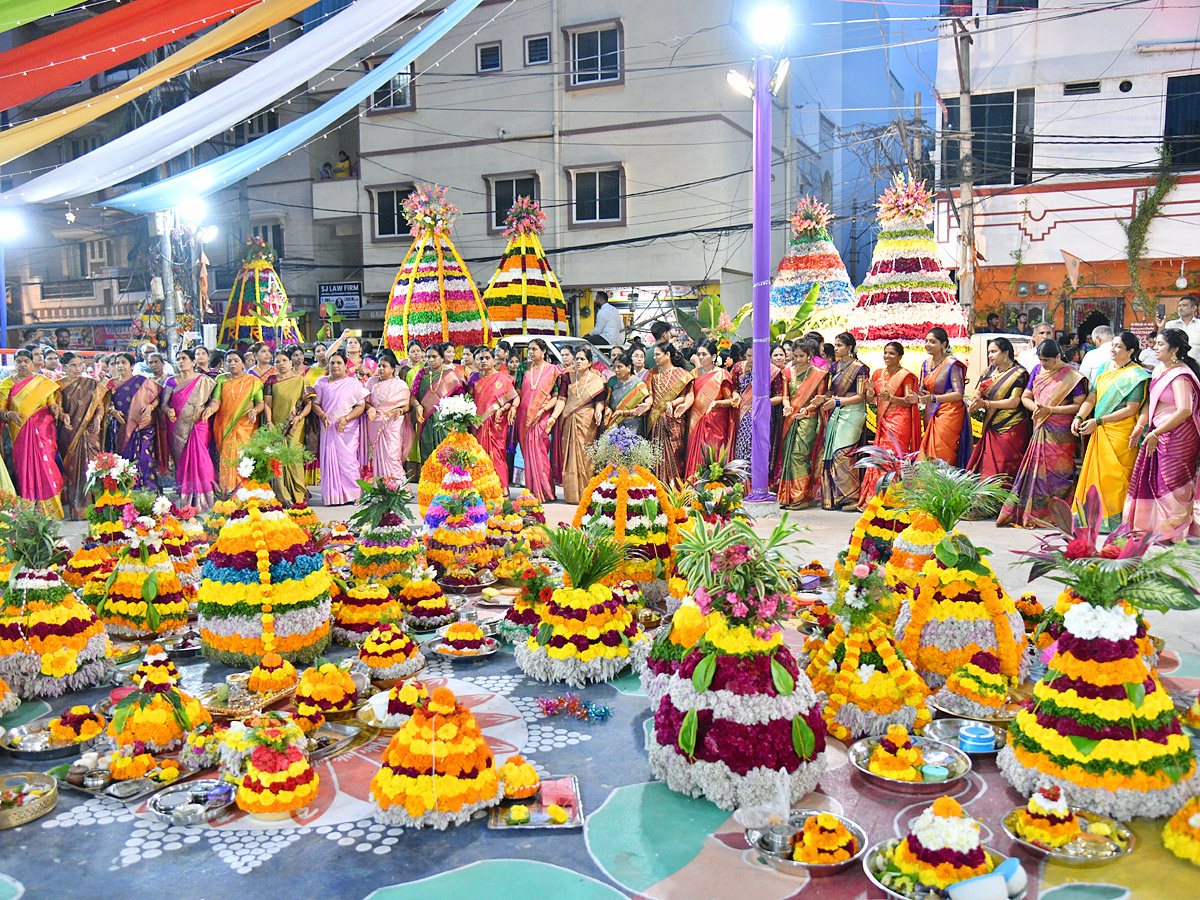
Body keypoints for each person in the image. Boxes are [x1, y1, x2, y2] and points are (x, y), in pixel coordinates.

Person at [1119, 330, 1200, 542]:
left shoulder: (1181, 375)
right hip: (1158, 432)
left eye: (1160, 344)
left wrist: (1156, 432)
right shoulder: (1159, 370)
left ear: (1174, 350)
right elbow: (1150, 402)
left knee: (1172, 482)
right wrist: (1140, 425)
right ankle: (1154, 528)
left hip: (1178, 437)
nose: (1155, 347)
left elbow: (1185, 410)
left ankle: (1173, 532)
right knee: (1154, 479)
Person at [997, 340, 1087, 528]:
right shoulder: (1037, 370)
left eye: (1047, 360)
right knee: (1037, 471)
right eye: (1041, 360)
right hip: (1040, 424)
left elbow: (1079, 405)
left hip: (1061, 431)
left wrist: (1051, 410)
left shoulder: (1072, 375)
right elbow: (1025, 396)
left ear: (1058, 357)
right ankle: (1035, 513)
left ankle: (1057, 514)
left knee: (1059, 473)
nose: (1044, 364)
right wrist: (1035, 408)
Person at [1072, 331, 1149, 532]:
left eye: (1118, 347)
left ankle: (1117, 522)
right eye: (1112, 345)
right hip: (1100, 429)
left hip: (1121, 434)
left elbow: (1131, 409)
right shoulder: (1105, 368)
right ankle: (1093, 518)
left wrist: (1098, 421)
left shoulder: (1137, 375)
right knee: (1097, 478)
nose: (1113, 350)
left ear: (1131, 351)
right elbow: (1092, 397)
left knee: (1115, 479)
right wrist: (1079, 416)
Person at [0, 349, 65, 516]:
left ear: (32, 362)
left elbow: (51, 402)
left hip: (43, 431)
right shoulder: (7, 383)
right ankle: (29, 508)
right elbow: (1, 409)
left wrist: (55, 407)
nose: (22, 364)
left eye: (25, 361)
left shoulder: (42, 382)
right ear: (14, 363)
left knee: (46, 464)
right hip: (20, 431)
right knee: (23, 467)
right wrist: (8, 415)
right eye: (19, 361)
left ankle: (51, 509)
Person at [858, 341, 921, 506]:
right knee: (879, 456)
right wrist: (870, 391)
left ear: (900, 357)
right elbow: (870, 399)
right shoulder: (877, 373)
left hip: (900, 420)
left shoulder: (905, 375)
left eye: (892, 353)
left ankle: (893, 498)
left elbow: (909, 401)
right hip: (882, 419)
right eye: (885, 352)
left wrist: (891, 398)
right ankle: (876, 497)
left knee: (893, 456)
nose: (887, 356)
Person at [966, 337, 1030, 492]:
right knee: (987, 464)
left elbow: (1014, 402)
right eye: (989, 352)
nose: (990, 355)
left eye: (994, 352)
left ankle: (1003, 502)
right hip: (991, 424)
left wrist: (986, 404)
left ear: (1006, 353)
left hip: (1010, 425)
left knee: (1005, 464)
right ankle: (985, 499)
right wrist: (975, 400)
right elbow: (978, 390)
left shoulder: (1019, 374)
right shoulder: (989, 371)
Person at [817, 332, 870, 510]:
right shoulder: (834, 367)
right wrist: (822, 399)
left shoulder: (860, 368)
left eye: (840, 345)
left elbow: (861, 396)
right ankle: (836, 498)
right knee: (831, 453)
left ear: (849, 347)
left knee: (844, 452)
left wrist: (838, 401)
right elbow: (830, 391)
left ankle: (852, 496)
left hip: (853, 412)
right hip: (836, 410)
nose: (836, 348)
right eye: (836, 345)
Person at [202, 350, 264, 494]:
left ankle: (247, 493)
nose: (232, 363)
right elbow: (216, 400)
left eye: (236, 360)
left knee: (245, 459)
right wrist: (210, 409)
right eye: (229, 361)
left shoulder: (253, 381)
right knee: (227, 458)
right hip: (225, 424)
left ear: (243, 363)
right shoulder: (221, 379)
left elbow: (260, 403)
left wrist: (254, 411)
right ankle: (228, 492)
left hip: (246, 425)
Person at [778, 339, 830, 509]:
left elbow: (819, 399)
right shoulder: (787, 372)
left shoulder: (818, 374)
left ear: (809, 356)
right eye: (795, 356)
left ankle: (801, 496)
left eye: (802, 356)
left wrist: (806, 410)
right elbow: (786, 397)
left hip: (809, 418)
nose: (798, 360)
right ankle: (790, 496)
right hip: (790, 417)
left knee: (799, 454)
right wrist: (786, 407)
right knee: (788, 453)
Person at [312, 351, 369, 505]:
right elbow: (315, 403)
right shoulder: (321, 382)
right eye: (332, 363)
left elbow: (361, 406)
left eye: (339, 363)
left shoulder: (354, 384)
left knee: (349, 461)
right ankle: (334, 496)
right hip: (328, 428)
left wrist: (346, 418)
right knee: (330, 461)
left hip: (348, 429)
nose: (335, 366)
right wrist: (321, 414)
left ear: (346, 366)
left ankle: (355, 494)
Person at [56, 351, 109, 519]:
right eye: (73, 365)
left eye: (80, 364)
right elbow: (58, 407)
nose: (78, 368)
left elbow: (100, 405)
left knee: (94, 467)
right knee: (74, 471)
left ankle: (99, 507)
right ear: (64, 367)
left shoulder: (92, 384)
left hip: (91, 431)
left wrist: (99, 418)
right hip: (71, 432)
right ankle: (78, 510)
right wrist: (63, 416)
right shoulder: (58, 386)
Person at [163, 349, 217, 510]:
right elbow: (164, 404)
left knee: (201, 459)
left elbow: (214, 401)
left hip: (199, 424)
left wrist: (209, 409)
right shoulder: (171, 382)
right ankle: (186, 498)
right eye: (178, 359)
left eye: (184, 358)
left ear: (193, 362)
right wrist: (168, 410)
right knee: (183, 461)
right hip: (178, 426)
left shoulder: (204, 381)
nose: (181, 362)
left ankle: (206, 499)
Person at [263, 349, 315, 505]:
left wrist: (299, 417)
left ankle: (299, 495)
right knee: (279, 459)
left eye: (284, 361)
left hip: (295, 425)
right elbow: (267, 404)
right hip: (277, 425)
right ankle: (283, 495)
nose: (281, 364)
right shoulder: (271, 380)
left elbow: (309, 404)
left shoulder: (300, 381)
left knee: (294, 458)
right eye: (277, 361)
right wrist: (269, 422)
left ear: (291, 362)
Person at [560, 346, 607, 504]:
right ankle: (572, 494)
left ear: (590, 362)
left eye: (582, 359)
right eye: (577, 359)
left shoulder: (597, 381)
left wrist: (599, 411)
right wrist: (554, 417)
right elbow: (562, 399)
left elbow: (600, 402)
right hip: (569, 420)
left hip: (588, 420)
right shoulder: (567, 377)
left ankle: (588, 493)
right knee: (569, 455)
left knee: (587, 456)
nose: (578, 362)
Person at [109, 351, 162, 490]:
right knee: (124, 462)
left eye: (123, 363)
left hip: (142, 426)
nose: (120, 366)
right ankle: (127, 495)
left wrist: (151, 407)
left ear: (132, 366)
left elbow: (156, 397)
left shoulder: (141, 381)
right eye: (117, 363)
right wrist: (113, 411)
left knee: (145, 459)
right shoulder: (110, 383)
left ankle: (148, 493)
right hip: (122, 428)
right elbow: (105, 404)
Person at [684, 340, 736, 480]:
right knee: (697, 452)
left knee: (714, 452)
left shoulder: (722, 375)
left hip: (716, 420)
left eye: (704, 354)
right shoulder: (694, 373)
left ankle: (716, 486)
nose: (701, 357)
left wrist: (718, 404)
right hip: (697, 419)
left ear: (713, 357)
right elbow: (689, 394)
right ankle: (696, 485)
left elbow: (730, 400)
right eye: (699, 354)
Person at [517, 338, 560, 503]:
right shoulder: (523, 368)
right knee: (528, 453)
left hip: (542, 416)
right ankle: (531, 491)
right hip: (524, 417)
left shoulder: (552, 370)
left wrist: (542, 410)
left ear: (543, 351)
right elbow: (518, 392)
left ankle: (546, 491)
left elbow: (556, 396)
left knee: (541, 452)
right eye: (530, 349)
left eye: (535, 349)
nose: (531, 352)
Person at [918, 327, 968, 465]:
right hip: (931, 411)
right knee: (927, 452)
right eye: (926, 341)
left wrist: (934, 398)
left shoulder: (952, 364)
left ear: (943, 344)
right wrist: (914, 397)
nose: (927, 344)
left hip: (949, 413)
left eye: (932, 342)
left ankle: (943, 484)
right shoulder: (925, 364)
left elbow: (958, 394)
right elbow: (921, 390)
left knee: (941, 452)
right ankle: (927, 484)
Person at [471, 346, 517, 494]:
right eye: (480, 358)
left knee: (497, 455)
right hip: (477, 423)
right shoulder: (474, 378)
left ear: (493, 360)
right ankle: (483, 489)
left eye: (487, 358)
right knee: (479, 456)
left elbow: (513, 398)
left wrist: (502, 409)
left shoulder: (503, 378)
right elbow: (470, 399)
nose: (484, 361)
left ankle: (502, 489)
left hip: (497, 424)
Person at [647, 343, 693, 484]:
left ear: (668, 355)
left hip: (674, 420)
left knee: (675, 454)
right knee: (656, 457)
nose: (654, 357)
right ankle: (658, 491)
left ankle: (675, 490)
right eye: (654, 354)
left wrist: (673, 403)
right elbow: (651, 396)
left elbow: (686, 395)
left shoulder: (681, 374)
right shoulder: (654, 374)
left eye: (657, 354)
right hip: (656, 422)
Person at [414, 342, 467, 462]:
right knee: (428, 453)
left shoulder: (452, 376)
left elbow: (461, 399)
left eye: (434, 357)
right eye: (428, 357)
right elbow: (413, 395)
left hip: (446, 423)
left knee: (447, 454)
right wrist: (417, 405)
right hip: (426, 420)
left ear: (442, 358)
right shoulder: (422, 374)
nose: (430, 360)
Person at [603, 351, 651, 437]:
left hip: (633, 426)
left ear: (629, 367)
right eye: (614, 367)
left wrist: (624, 413)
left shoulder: (639, 385)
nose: (616, 370)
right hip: (614, 423)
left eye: (620, 367)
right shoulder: (612, 381)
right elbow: (607, 401)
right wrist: (607, 409)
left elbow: (642, 409)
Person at [1158, 293, 1200, 367]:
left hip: (1196, 367)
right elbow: (1160, 343)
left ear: (1194, 308)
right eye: (1179, 306)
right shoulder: (1170, 325)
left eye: (1184, 305)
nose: (1180, 308)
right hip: (1174, 366)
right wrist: (1161, 328)